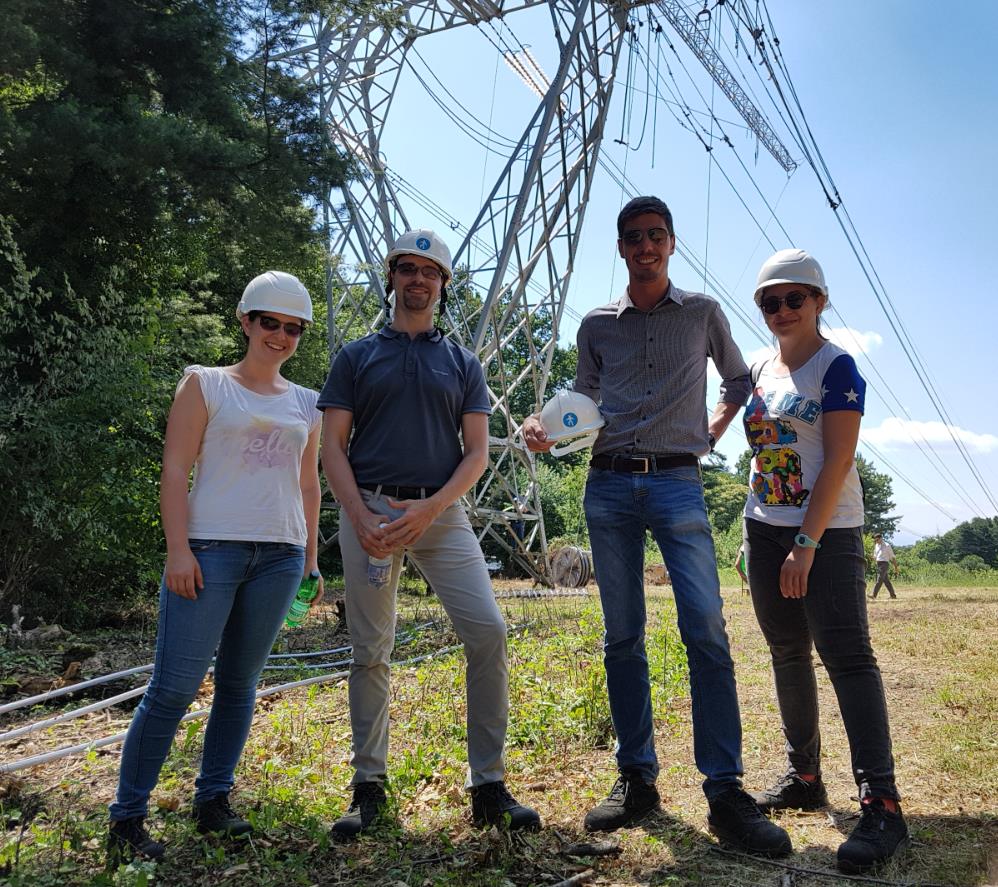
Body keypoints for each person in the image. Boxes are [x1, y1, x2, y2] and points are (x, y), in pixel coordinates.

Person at [523, 196, 790, 857]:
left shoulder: (701, 313)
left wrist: (713, 430)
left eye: (656, 236)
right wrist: (542, 428)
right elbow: (581, 404)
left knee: (705, 627)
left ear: (671, 245)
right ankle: (637, 777)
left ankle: (725, 790)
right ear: (621, 248)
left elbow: (737, 379)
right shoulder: (596, 324)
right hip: (608, 483)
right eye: (634, 237)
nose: (645, 246)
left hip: (677, 481)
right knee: (623, 636)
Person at [318, 229, 539, 837]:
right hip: (370, 514)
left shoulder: (462, 363)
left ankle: (488, 786)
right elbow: (331, 447)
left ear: (444, 284)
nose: (418, 280)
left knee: (488, 633)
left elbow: (475, 454)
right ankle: (368, 786)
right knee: (370, 649)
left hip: (441, 516)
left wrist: (432, 509)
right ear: (392, 278)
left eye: (430, 272)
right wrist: (359, 516)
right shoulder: (356, 356)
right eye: (407, 269)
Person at [107, 272, 323, 862]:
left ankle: (214, 801)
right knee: (173, 689)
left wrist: (309, 557)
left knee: (238, 686)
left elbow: (308, 483)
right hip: (209, 553)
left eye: (293, 328)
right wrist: (178, 550)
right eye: (270, 323)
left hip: (279, 558)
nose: (280, 336)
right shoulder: (205, 385)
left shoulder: (307, 403)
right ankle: (127, 817)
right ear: (246, 322)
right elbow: (175, 471)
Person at [741, 249, 907, 874]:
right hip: (764, 530)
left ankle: (883, 802)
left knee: (847, 658)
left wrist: (805, 546)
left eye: (794, 299)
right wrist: (755, 532)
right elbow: (762, 453)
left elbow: (837, 460)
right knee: (787, 653)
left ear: (819, 301)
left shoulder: (835, 367)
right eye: (770, 302)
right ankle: (805, 774)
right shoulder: (760, 364)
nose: (782, 310)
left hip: (828, 536)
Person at [870, 533, 899, 599]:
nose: (876, 541)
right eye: (875, 540)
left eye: (877, 540)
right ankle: (893, 595)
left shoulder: (887, 545)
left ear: (881, 538)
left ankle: (874, 595)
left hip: (884, 564)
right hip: (878, 564)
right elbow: (875, 556)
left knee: (879, 580)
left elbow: (892, 557)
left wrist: (896, 567)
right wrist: (872, 557)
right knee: (886, 581)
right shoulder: (876, 545)